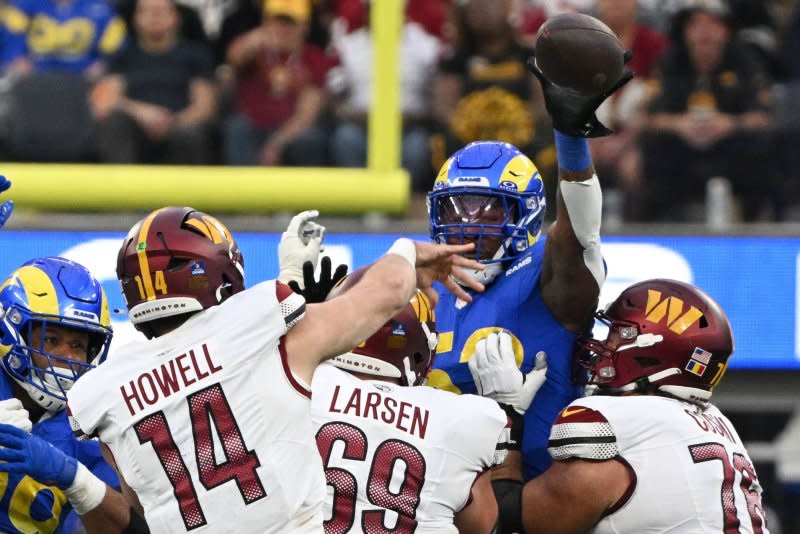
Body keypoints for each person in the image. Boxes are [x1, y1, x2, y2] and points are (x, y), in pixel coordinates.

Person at [64, 206, 483, 532]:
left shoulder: (104, 391)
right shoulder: (258, 324)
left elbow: (143, 510)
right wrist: (406, 252)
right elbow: (388, 291)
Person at [425, 49, 634, 482]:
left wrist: (571, 139)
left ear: (527, 214)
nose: (467, 225)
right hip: (436, 499)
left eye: (486, 210)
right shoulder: (422, 286)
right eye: (454, 210)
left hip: (540, 497)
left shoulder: (546, 273)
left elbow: (580, 230)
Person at [482, 279, 770, 533]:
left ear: (651, 350)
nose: (603, 344)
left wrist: (504, 414)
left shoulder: (614, 419)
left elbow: (513, 523)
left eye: (618, 334)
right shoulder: (718, 423)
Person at [308, 279, 547, 533]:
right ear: (419, 350)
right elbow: (483, 526)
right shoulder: (459, 417)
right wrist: (506, 411)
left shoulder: (294, 386)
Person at [0, 256, 148, 534]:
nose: (67, 358)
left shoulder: (92, 428)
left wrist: (75, 479)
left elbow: (136, 530)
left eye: (78, 345)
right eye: (51, 340)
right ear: (11, 334)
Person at [93, 0, 218, 164]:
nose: (154, 17)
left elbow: (205, 107)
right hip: (135, 130)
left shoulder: (195, 56)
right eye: (146, 11)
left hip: (179, 128)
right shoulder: (123, 57)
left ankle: (185, 189)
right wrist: (142, 114)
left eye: (160, 11)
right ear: (135, 18)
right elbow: (106, 101)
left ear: (176, 17)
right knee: (115, 122)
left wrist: (172, 123)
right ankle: (122, 187)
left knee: (189, 134)